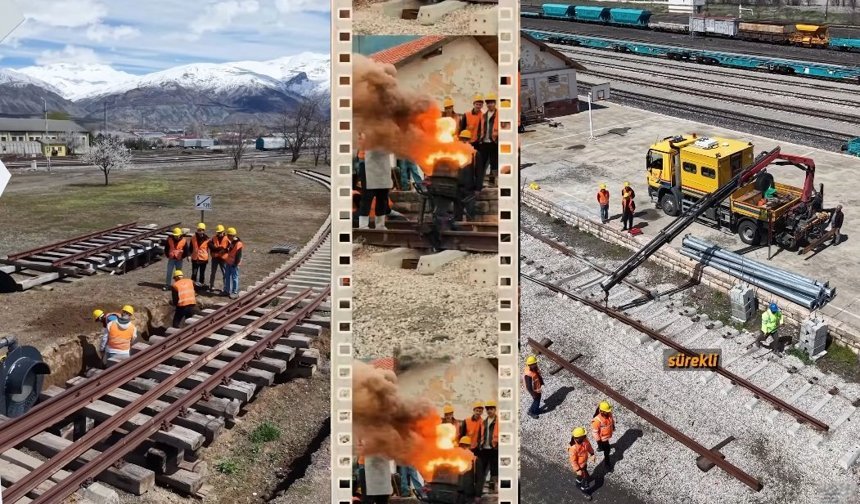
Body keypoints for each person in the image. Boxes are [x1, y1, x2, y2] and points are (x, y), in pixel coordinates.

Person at [359, 150, 394, 230]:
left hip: (384, 166)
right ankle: (363, 226)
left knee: (383, 198)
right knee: (367, 197)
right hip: (368, 165)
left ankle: (380, 225)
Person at [455, 130, 480, 223]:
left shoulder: (475, 154)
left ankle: (471, 230)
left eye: (466, 139)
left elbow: (479, 173)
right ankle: (458, 234)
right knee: (457, 214)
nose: (464, 141)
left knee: (470, 213)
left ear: (470, 141)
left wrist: (478, 189)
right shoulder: (455, 154)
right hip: (457, 187)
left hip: (470, 189)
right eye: (462, 139)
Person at [477, 92, 499, 188]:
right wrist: (480, 140)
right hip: (484, 143)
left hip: (494, 142)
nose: (490, 104)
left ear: (495, 103)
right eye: (488, 103)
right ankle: (480, 183)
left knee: (495, 163)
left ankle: (495, 182)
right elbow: (481, 128)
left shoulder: (499, 114)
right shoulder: (483, 116)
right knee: (482, 163)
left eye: (491, 102)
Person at [478, 399, 499, 493]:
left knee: (494, 470)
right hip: (484, 449)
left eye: (491, 409)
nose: (489, 411)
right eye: (488, 409)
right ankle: (480, 488)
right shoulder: (483, 422)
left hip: (494, 449)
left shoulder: (499, 421)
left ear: (495, 409)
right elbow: (481, 435)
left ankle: (492, 488)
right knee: (482, 469)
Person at [569, 426, 596, 498]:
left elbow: (589, 446)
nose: (585, 436)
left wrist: (592, 453)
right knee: (586, 480)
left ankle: (578, 482)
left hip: (584, 463)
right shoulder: (573, 448)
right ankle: (585, 492)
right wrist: (578, 470)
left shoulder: (585, 440)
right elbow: (573, 461)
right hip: (580, 467)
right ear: (578, 438)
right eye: (583, 436)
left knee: (582, 475)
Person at [456, 436, 482, 504]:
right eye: (462, 445)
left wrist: (478, 495)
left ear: (470, 447)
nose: (464, 448)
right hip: (456, 493)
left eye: (466, 446)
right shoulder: (454, 459)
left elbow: (479, 479)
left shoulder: (475, 460)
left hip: (469, 494)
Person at [591, 401, 616, 471]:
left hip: (607, 436)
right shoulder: (596, 420)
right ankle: (607, 463)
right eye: (607, 411)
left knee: (605, 446)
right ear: (601, 411)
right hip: (602, 438)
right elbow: (595, 433)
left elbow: (612, 420)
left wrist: (613, 426)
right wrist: (599, 442)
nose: (609, 412)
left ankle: (600, 448)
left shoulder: (609, 414)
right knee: (607, 450)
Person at [223, 227, 243, 299]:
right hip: (229, 262)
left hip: (234, 264)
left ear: (232, 235)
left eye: (228, 235)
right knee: (227, 277)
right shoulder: (232, 242)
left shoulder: (238, 244)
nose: (227, 237)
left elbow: (238, 255)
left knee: (234, 278)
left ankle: (234, 292)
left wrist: (235, 264)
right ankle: (227, 290)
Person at [208, 225, 230, 293]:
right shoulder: (213, 238)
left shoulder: (227, 239)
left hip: (223, 259)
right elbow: (210, 245)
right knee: (213, 273)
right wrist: (218, 249)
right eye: (218, 232)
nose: (219, 234)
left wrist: (224, 250)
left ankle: (225, 287)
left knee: (225, 273)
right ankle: (211, 286)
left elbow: (230, 248)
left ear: (223, 232)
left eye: (220, 232)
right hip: (215, 258)